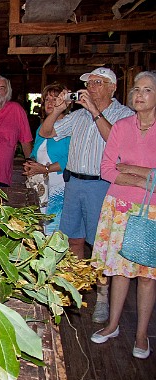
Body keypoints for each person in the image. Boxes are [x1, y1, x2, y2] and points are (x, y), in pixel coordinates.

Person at [39, 67, 135, 323]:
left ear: (112, 87)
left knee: (101, 247)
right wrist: (58, 109)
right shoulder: (79, 116)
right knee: (75, 241)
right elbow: (46, 132)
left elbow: (119, 143)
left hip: (101, 185)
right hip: (74, 184)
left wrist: (95, 112)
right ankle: (78, 289)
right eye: (89, 82)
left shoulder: (124, 115)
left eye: (97, 82)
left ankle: (103, 297)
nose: (91, 87)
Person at [89, 71, 156, 359]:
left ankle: (141, 334)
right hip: (119, 207)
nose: (139, 95)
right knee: (119, 271)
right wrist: (147, 179)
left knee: (146, 276)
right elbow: (106, 169)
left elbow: (118, 168)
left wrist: (127, 168)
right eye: (136, 90)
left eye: (148, 90)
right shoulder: (121, 126)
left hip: (151, 210)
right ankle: (113, 325)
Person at [23, 83, 70, 235]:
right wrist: (30, 164)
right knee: (39, 226)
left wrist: (46, 169)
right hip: (42, 185)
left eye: (54, 99)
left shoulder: (70, 125)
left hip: (60, 184)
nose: (49, 103)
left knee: (54, 228)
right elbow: (35, 153)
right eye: (47, 99)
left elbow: (71, 159)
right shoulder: (42, 127)